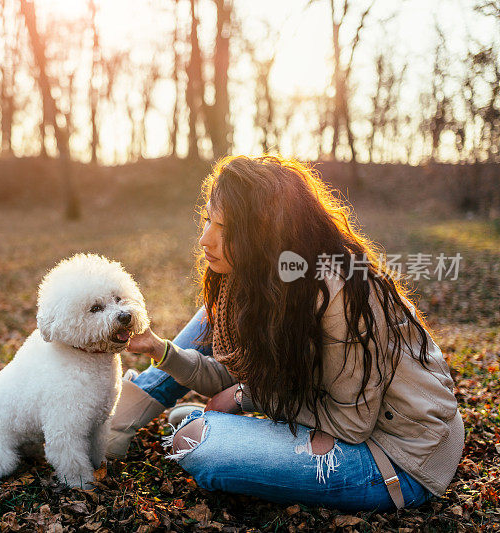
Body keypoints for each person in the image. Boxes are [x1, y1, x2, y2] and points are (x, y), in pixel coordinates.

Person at [108, 155, 463, 512]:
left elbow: (353, 424)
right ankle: (119, 419)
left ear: (263, 233)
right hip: (358, 429)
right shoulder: (271, 282)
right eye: (207, 220)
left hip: (397, 460)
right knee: (214, 312)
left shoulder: (338, 291)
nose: (204, 239)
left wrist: (247, 396)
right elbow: (229, 378)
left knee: (195, 441)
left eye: (224, 228)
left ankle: (170, 424)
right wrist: (160, 349)